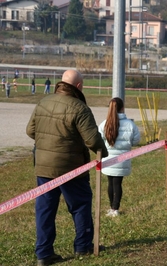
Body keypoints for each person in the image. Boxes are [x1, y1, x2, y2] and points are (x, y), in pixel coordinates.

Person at [26, 69, 109, 266]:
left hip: (43, 167)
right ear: (79, 87)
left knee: (45, 210)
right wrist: (103, 153)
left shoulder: (43, 102)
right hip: (72, 168)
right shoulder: (79, 108)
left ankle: (44, 254)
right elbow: (92, 140)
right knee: (80, 205)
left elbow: (30, 131)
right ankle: (83, 246)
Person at [98, 97, 141, 218]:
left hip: (108, 160)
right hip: (122, 160)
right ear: (122, 108)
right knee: (118, 184)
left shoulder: (104, 124)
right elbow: (136, 140)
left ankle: (112, 207)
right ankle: (115, 208)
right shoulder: (130, 125)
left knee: (110, 183)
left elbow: (99, 139)